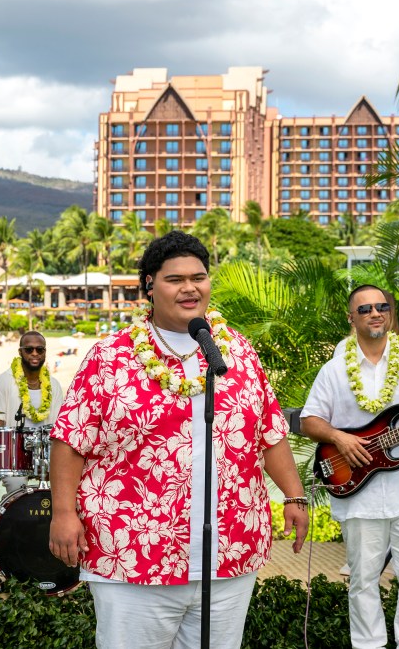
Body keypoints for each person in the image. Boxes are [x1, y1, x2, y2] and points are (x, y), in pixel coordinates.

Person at [49, 231, 308, 649]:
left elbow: (270, 431)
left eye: (198, 277)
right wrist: (63, 513)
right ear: (149, 285)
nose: (190, 288)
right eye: (175, 279)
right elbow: (70, 439)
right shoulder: (112, 356)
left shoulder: (237, 351)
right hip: (134, 552)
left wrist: (294, 496)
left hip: (229, 552)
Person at [300, 284, 399, 649]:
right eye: (365, 309)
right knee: (363, 581)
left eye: (382, 306)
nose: (375, 313)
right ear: (351, 318)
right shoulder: (335, 370)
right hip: (358, 494)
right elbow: (309, 420)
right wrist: (339, 438)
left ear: (391, 313)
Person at [0, 331, 64, 494]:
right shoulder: (2, 382)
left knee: (65, 481)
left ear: (44, 352)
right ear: (20, 352)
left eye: (39, 349)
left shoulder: (54, 385)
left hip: (45, 454)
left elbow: (58, 427)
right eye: (29, 349)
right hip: (13, 457)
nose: (35, 353)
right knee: (16, 485)